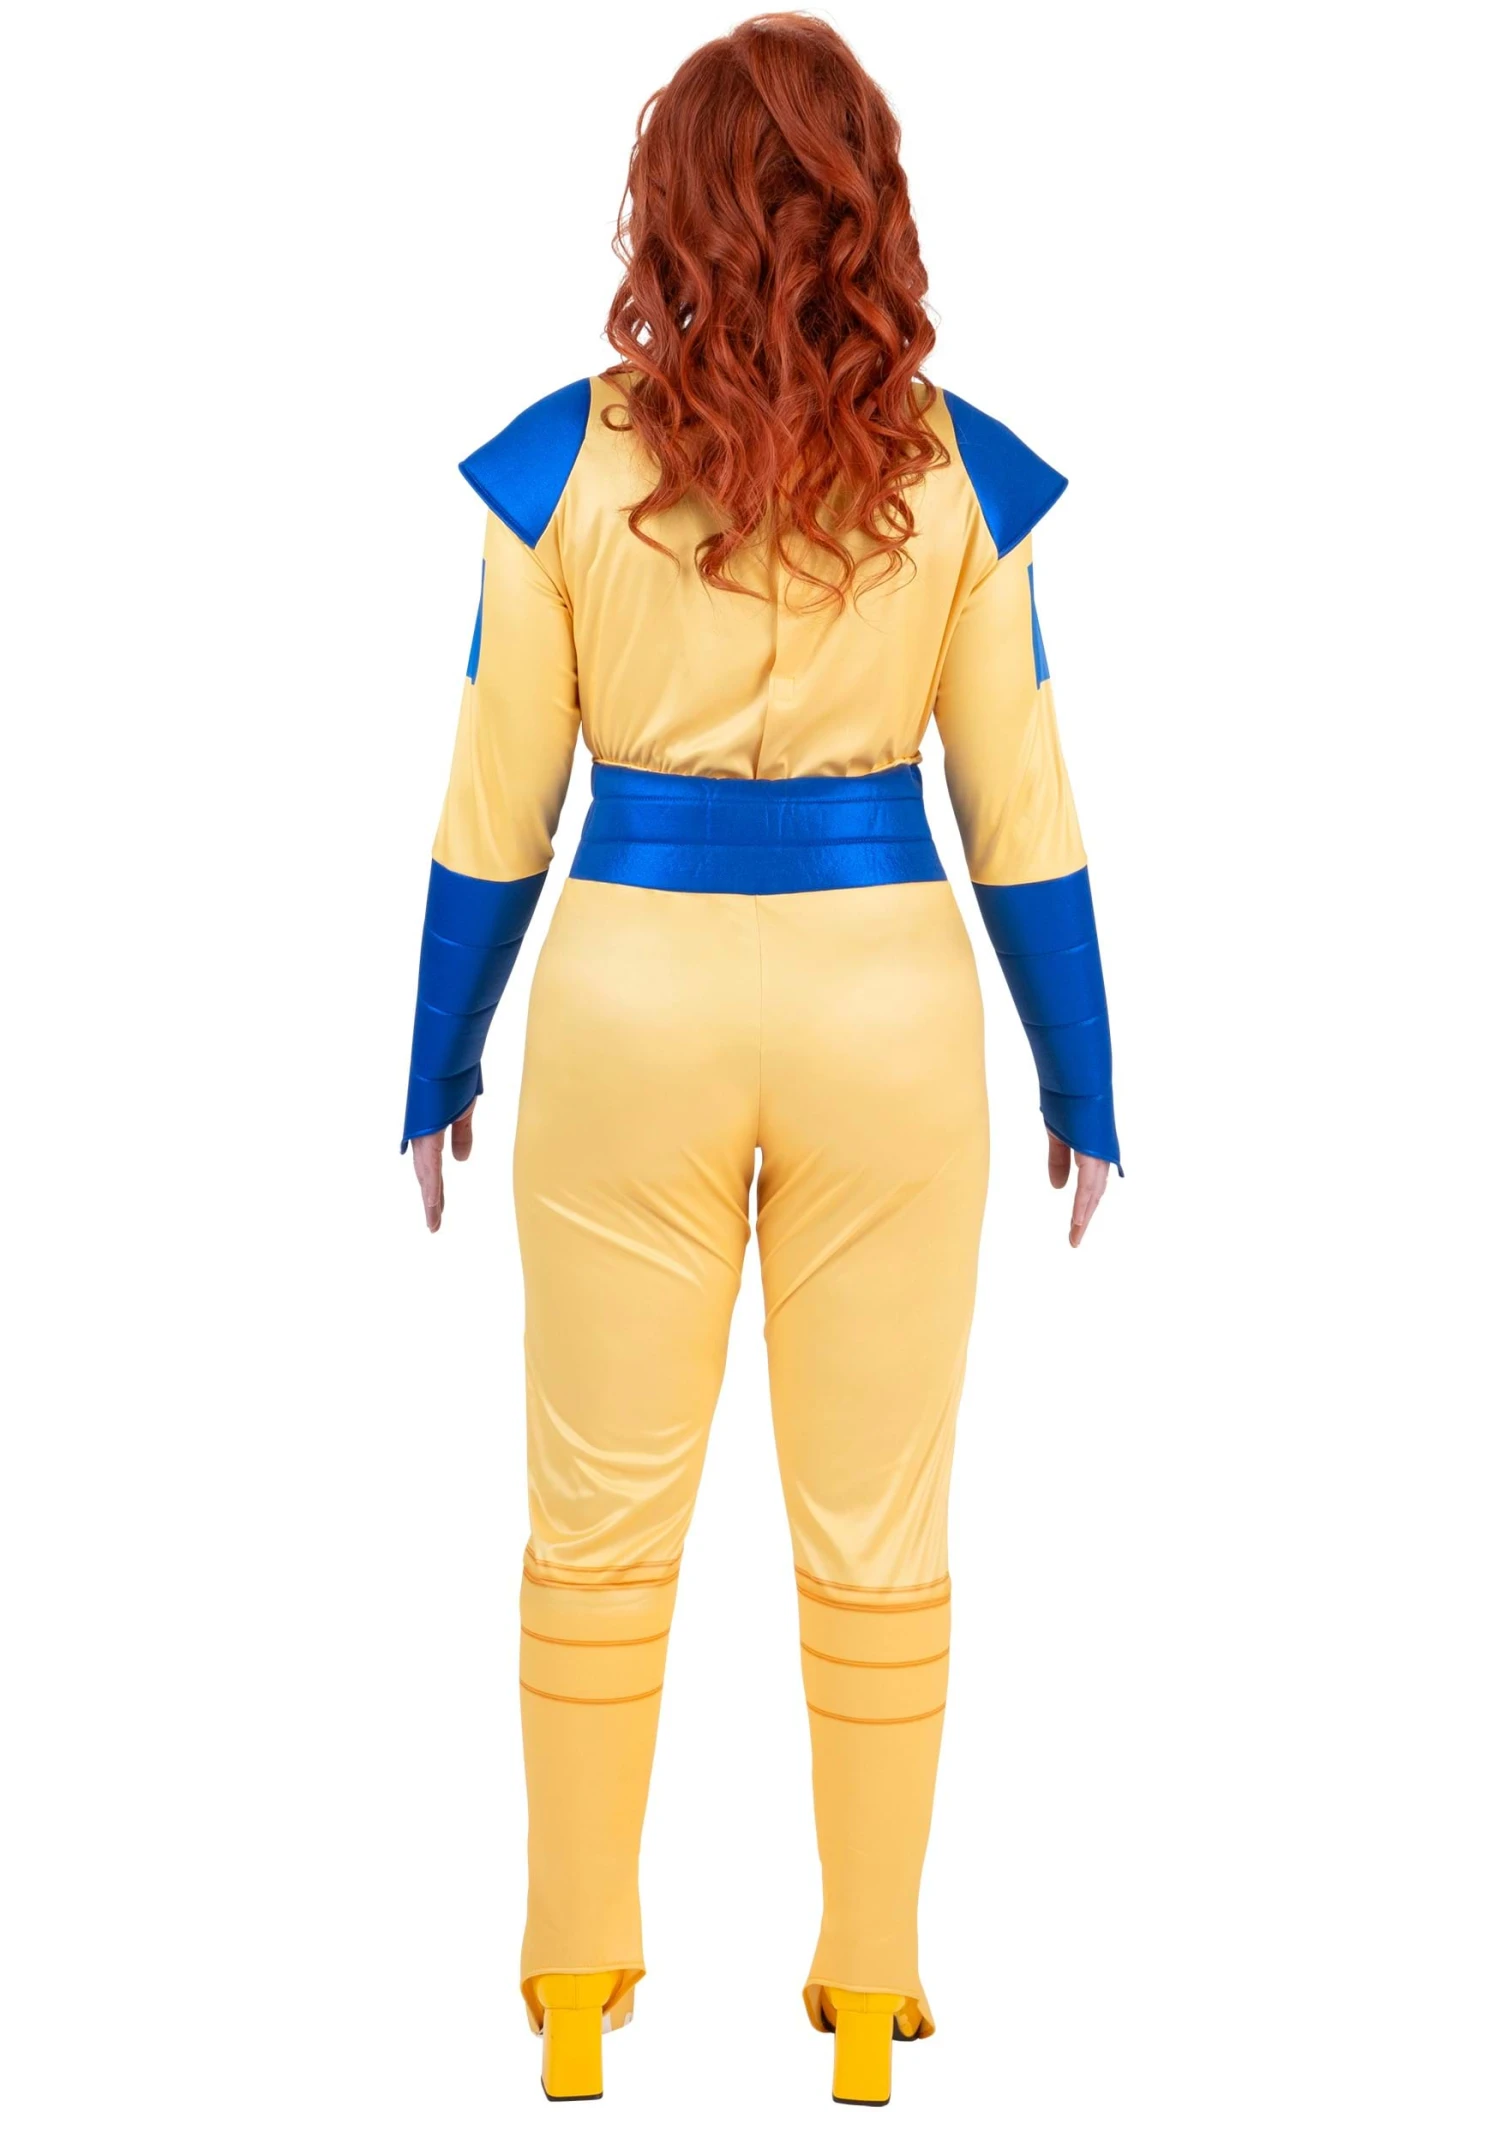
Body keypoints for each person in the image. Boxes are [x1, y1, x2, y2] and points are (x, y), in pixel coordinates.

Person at [401, 13, 1119, 2108]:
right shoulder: (960, 474)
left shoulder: (557, 467)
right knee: (880, 1519)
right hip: (888, 1012)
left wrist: (436, 1053)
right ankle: (872, 1987)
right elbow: (1023, 808)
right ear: (875, 210)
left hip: (626, 1002)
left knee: (596, 1511)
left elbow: (494, 802)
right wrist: (1083, 1079)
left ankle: (573, 1977)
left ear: (665, 210)